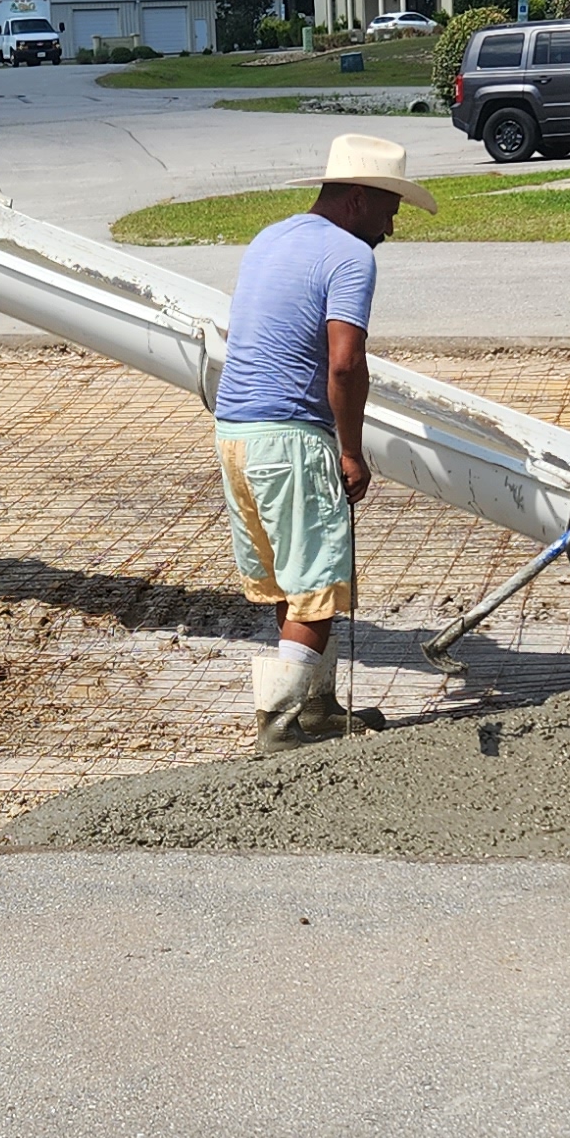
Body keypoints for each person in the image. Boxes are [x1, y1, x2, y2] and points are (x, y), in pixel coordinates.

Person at [212, 132, 439, 748]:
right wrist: (349, 450)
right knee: (315, 584)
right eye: (391, 207)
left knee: (293, 579)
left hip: (235, 432)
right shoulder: (349, 256)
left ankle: (314, 710)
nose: (393, 225)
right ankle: (282, 726)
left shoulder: (272, 237)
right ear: (359, 198)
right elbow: (345, 363)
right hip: (289, 439)